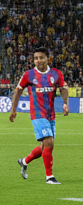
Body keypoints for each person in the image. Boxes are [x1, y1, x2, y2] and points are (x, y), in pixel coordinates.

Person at [10, 47, 68, 185]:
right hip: (37, 114)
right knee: (48, 142)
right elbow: (18, 91)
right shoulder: (28, 75)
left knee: (45, 147)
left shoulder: (56, 74)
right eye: (36, 58)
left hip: (50, 114)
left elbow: (63, 88)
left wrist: (65, 103)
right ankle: (49, 177)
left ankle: (24, 161)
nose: (38, 61)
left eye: (41, 58)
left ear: (48, 59)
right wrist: (13, 110)